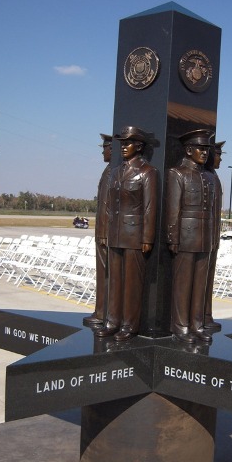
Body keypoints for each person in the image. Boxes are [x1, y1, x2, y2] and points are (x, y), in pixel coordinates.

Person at [96, 126, 158, 342]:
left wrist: (147, 237)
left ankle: (129, 325)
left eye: (128, 143)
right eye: (122, 143)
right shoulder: (115, 172)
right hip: (115, 233)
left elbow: (150, 208)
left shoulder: (147, 172)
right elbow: (107, 205)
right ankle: (112, 322)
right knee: (114, 281)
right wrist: (104, 231)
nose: (123, 147)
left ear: (139, 146)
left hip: (134, 235)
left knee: (132, 283)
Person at [165, 129, 216, 344]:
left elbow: (212, 210)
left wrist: (212, 238)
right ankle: (181, 325)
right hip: (185, 237)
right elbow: (173, 209)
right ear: (188, 150)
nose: (204, 153)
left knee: (199, 285)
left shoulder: (209, 177)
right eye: (200, 149)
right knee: (183, 284)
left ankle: (196, 324)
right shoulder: (177, 174)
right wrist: (173, 238)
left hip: (204, 238)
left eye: (206, 149)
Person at [83, 134, 112, 328]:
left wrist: (103, 232)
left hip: (108, 232)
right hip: (103, 231)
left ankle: (104, 313)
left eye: (106, 148)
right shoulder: (109, 171)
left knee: (107, 276)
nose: (103, 151)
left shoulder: (113, 172)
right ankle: (101, 311)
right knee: (103, 275)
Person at [203, 140, 225, 333]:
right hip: (203, 237)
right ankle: (202, 315)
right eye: (217, 155)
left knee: (208, 280)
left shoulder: (213, 177)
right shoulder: (208, 177)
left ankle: (205, 314)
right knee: (202, 280)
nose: (219, 159)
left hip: (211, 237)